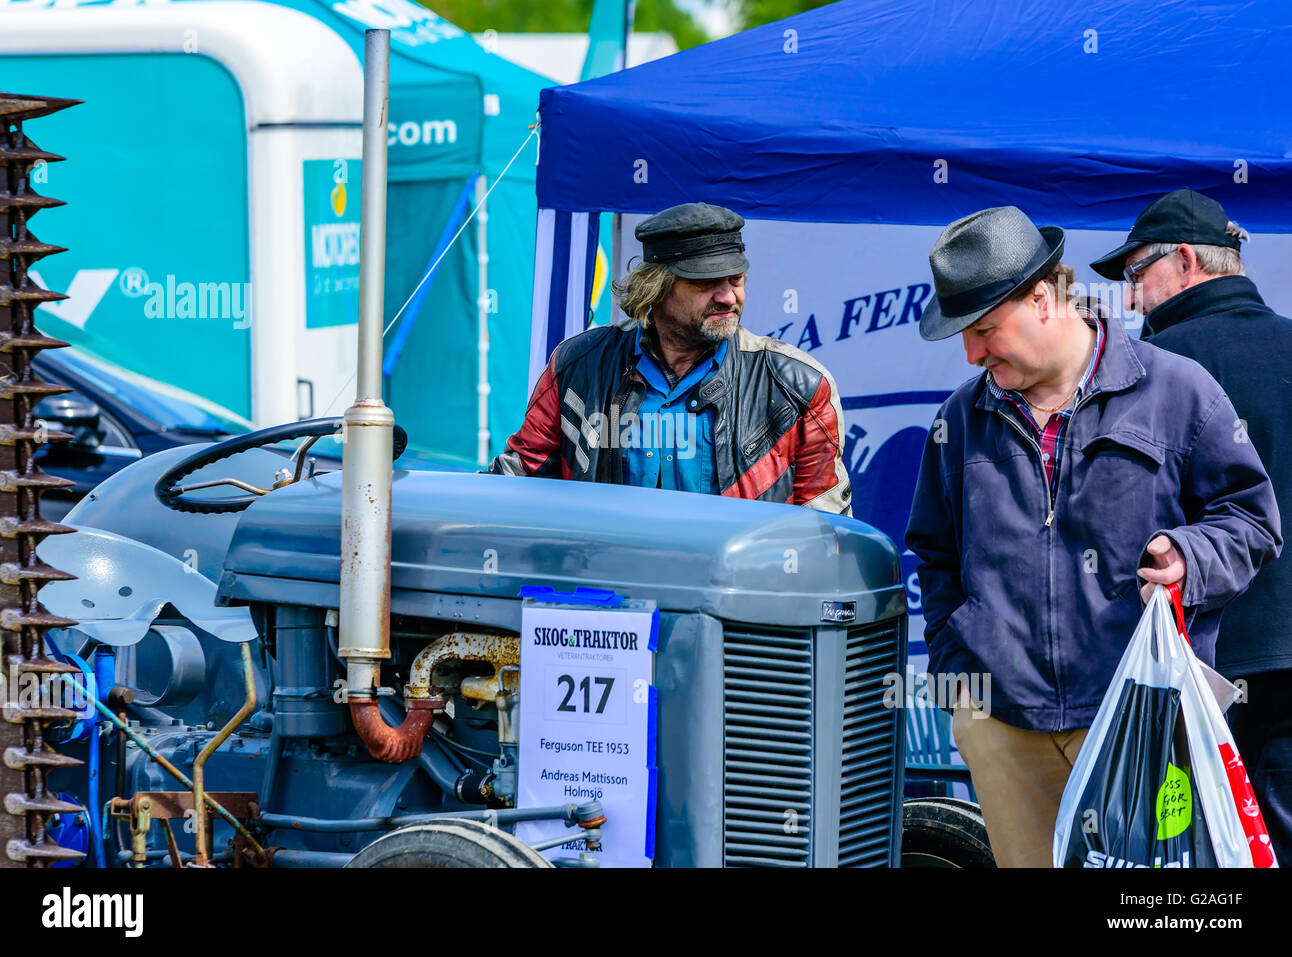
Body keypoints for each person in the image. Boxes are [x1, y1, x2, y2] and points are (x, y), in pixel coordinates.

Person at [905, 205, 1281, 867]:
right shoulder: (959, 418)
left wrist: (1190, 556)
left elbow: (1252, 522)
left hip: (1140, 722)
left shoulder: (1179, 390)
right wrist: (960, 682)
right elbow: (934, 552)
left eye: (985, 329)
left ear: (1044, 298)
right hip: (1003, 728)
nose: (971, 352)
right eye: (965, 334)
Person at [1091, 188, 1292, 864]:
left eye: (1135, 273)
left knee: (1190, 858)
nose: (1131, 298)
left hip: (1197, 663)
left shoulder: (1155, 367)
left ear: (1183, 260)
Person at [488, 202, 851, 514]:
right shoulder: (577, 365)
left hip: (740, 592)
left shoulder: (797, 384)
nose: (728, 297)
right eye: (706, 283)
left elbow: (826, 528)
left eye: (736, 279)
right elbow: (518, 482)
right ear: (656, 289)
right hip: (605, 589)